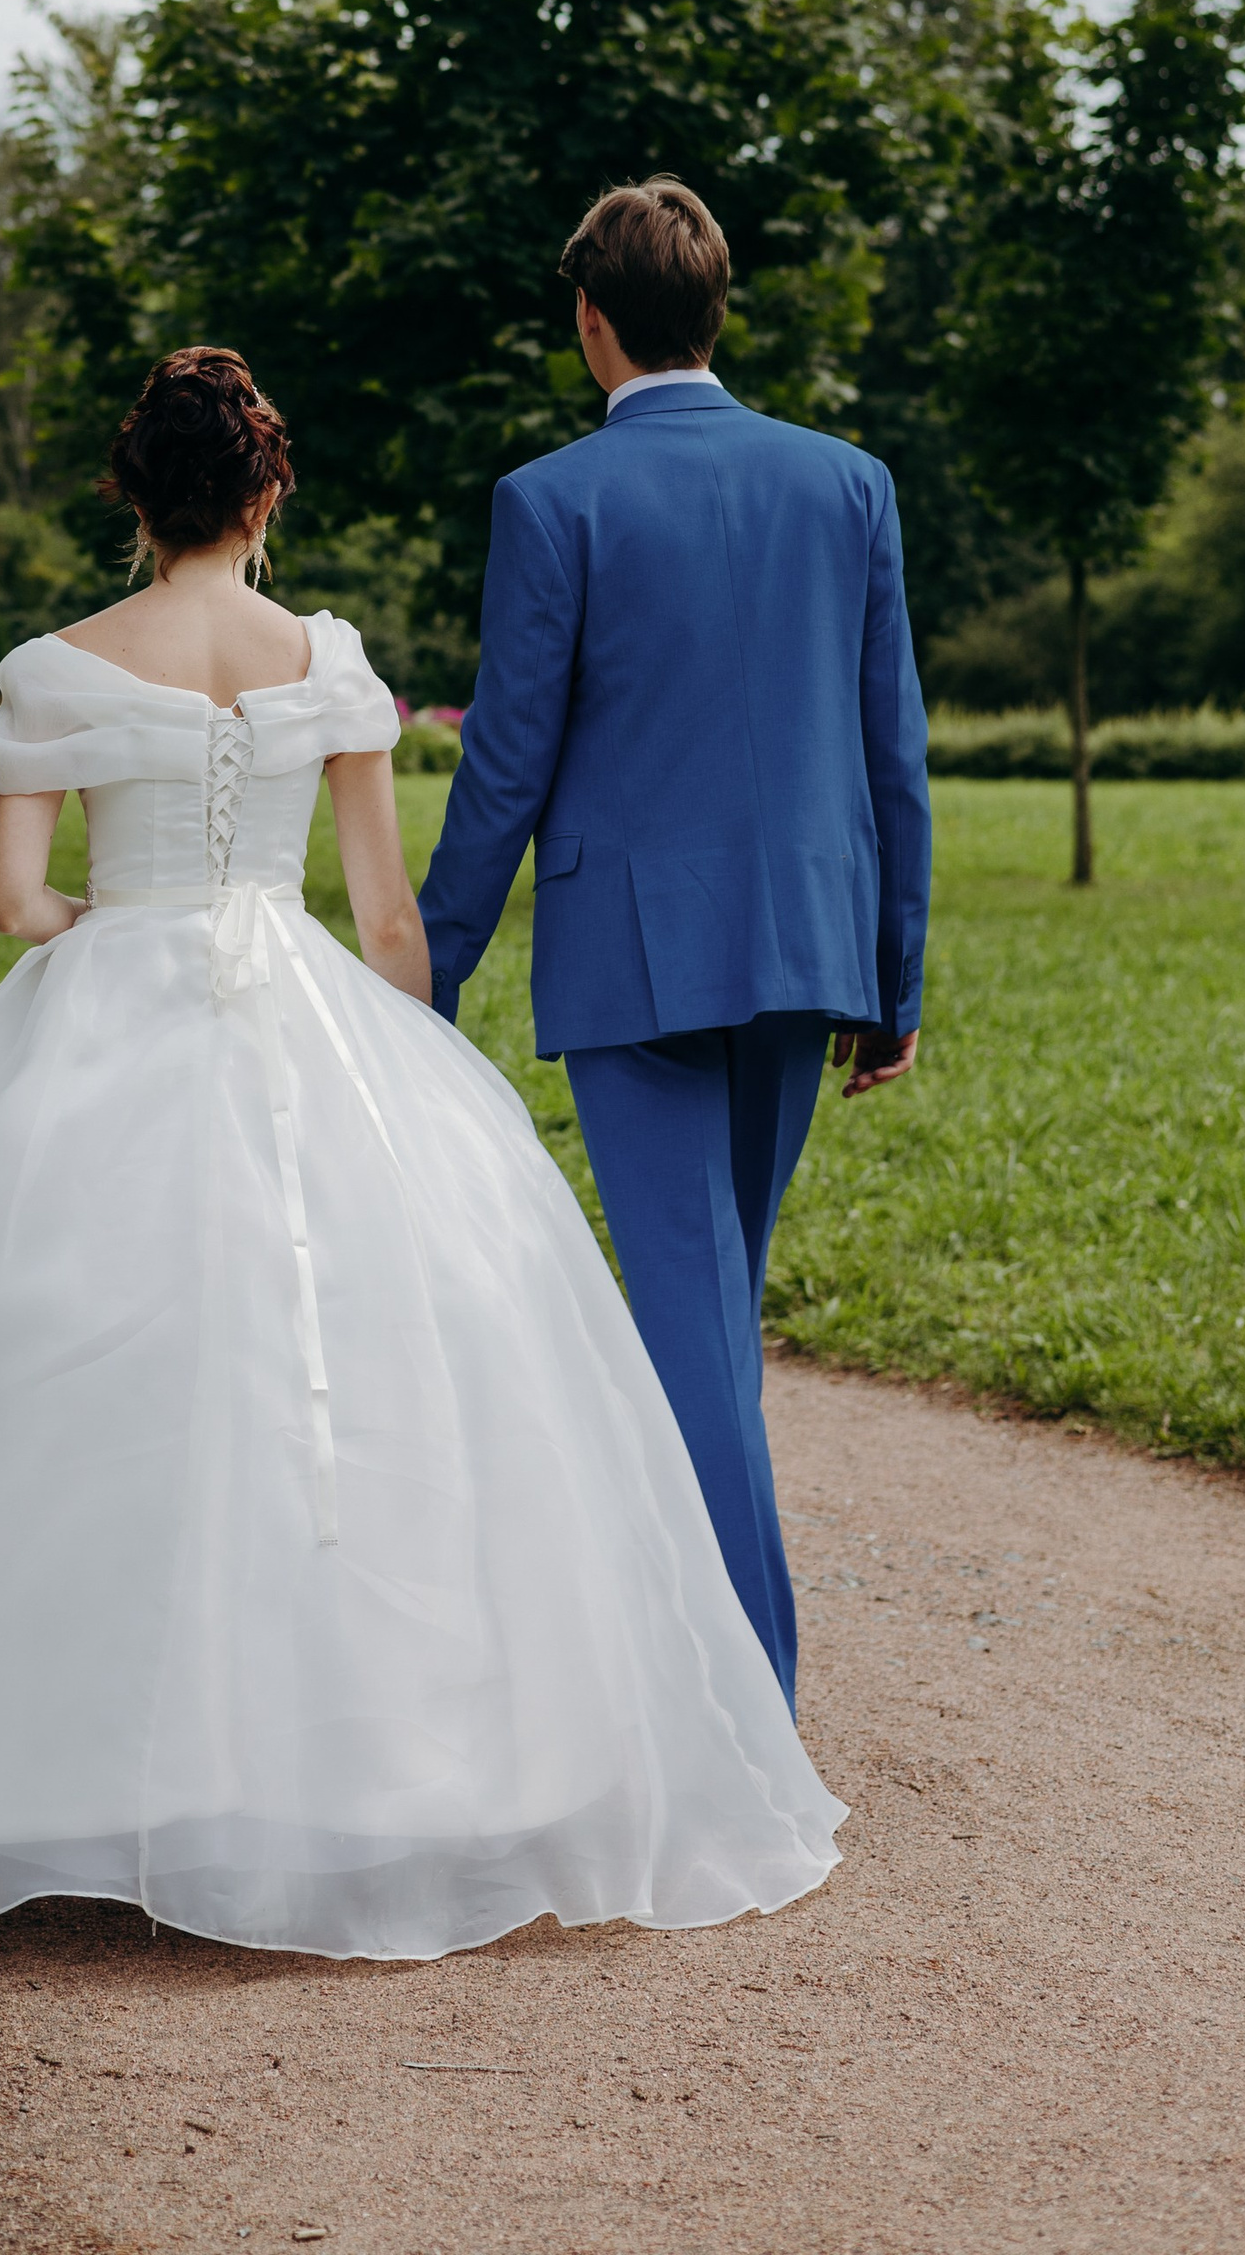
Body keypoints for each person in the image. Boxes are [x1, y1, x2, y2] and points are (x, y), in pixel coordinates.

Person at [0, 344, 844, 1963]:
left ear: (132, 496)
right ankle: (371, 1756)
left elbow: (8, 899)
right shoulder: (325, 659)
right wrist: (408, 1069)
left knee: (48, 1340)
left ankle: (20, 1764)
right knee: (356, 1365)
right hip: (298, 992)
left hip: (119, 974)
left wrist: (95, 938)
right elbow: (387, 917)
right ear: (267, 495)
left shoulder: (58, 666)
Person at [417, 177, 931, 1713]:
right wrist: (895, 979)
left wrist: (426, 979)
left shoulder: (552, 499)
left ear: (591, 321)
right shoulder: (849, 483)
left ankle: (743, 1695)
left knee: (696, 1319)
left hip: (637, 961)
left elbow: (504, 761)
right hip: (808, 948)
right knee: (711, 1315)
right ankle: (696, 1657)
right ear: (719, 311)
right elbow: (892, 750)